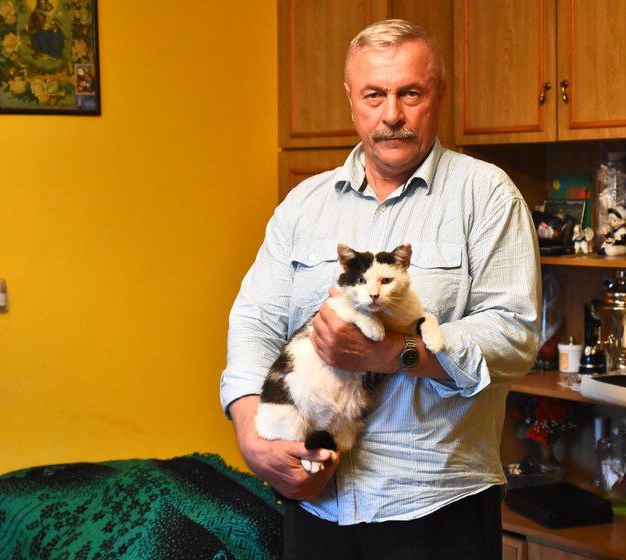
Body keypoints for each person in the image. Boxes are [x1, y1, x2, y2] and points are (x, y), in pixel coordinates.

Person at [220, 19, 540, 560]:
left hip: (436, 509)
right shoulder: (303, 205)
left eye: (410, 93)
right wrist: (254, 438)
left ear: (438, 94)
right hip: (316, 504)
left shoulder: (487, 196)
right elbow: (255, 321)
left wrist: (392, 352)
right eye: (374, 95)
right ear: (351, 99)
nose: (392, 114)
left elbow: (514, 335)